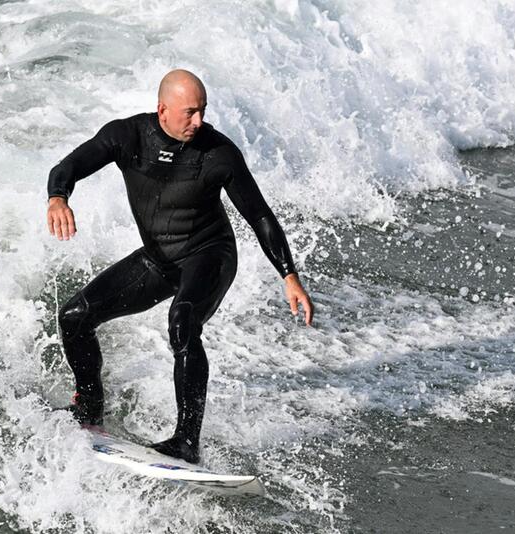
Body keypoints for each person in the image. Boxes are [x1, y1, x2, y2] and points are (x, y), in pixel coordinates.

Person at [45, 69, 314, 463]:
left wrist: (289, 275)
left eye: (202, 111)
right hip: (159, 260)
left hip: (210, 255)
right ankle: (89, 407)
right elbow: (69, 165)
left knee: (183, 320)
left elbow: (259, 216)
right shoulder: (128, 136)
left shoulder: (218, 153)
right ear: (162, 110)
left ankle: (187, 441)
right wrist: (57, 198)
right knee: (74, 316)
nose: (199, 121)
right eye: (190, 112)